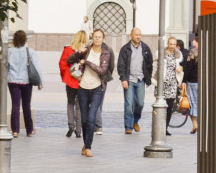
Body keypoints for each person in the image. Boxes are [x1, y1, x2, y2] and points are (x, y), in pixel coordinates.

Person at [67, 28, 112, 156]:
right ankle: (85, 144)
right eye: (95, 37)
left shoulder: (105, 53)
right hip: (83, 89)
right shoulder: (86, 50)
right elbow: (69, 61)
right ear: (92, 38)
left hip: (97, 88)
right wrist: (78, 53)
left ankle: (88, 147)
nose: (97, 39)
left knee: (92, 117)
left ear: (103, 39)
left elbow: (102, 70)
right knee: (85, 120)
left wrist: (86, 61)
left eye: (100, 37)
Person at [117, 27, 154, 134]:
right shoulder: (125, 49)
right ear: (131, 35)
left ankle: (135, 121)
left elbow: (149, 64)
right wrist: (123, 79)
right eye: (136, 34)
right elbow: (121, 65)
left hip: (141, 79)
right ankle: (128, 126)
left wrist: (148, 77)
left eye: (139, 35)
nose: (138, 36)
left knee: (140, 103)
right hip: (129, 80)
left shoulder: (145, 48)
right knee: (128, 104)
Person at [6, 30, 41, 138]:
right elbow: (36, 67)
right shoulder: (30, 51)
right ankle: (29, 130)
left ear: (14, 40)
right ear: (25, 39)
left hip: (12, 81)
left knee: (15, 105)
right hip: (26, 81)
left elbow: (6, 66)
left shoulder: (9, 51)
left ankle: (15, 130)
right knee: (26, 106)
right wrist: (40, 82)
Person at [60, 30, 87, 138]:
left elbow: (62, 63)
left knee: (70, 103)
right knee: (79, 107)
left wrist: (66, 75)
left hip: (70, 80)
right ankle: (79, 131)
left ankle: (71, 125)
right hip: (82, 81)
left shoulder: (68, 49)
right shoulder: (86, 51)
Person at [157, 37, 182, 135]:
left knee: (169, 107)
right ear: (167, 44)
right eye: (171, 44)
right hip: (162, 83)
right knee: (160, 106)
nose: (172, 46)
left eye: (174, 44)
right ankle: (158, 128)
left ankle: (165, 128)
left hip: (172, 84)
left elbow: (181, 65)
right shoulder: (161, 53)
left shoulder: (178, 54)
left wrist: (180, 68)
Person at [182, 39, 200, 134]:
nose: (192, 43)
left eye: (194, 41)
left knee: (192, 104)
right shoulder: (207, 52)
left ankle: (195, 124)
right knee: (201, 104)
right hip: (202, 82)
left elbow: (187, 68)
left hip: (192, 81)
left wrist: (184, 80)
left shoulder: (192, 53)